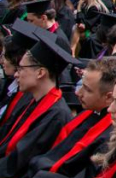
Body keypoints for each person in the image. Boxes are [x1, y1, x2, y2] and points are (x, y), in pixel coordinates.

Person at [28, 56, 116, 178]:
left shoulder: (109, 137)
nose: (78, 92)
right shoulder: (91, 112)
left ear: (108, 97)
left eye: (87, 89)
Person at [0, 31, 74, 177]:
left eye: (21, 68)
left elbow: (19, 161)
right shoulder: (32, 102)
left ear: (40, 73)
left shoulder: (55, 115)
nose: (16, 74)